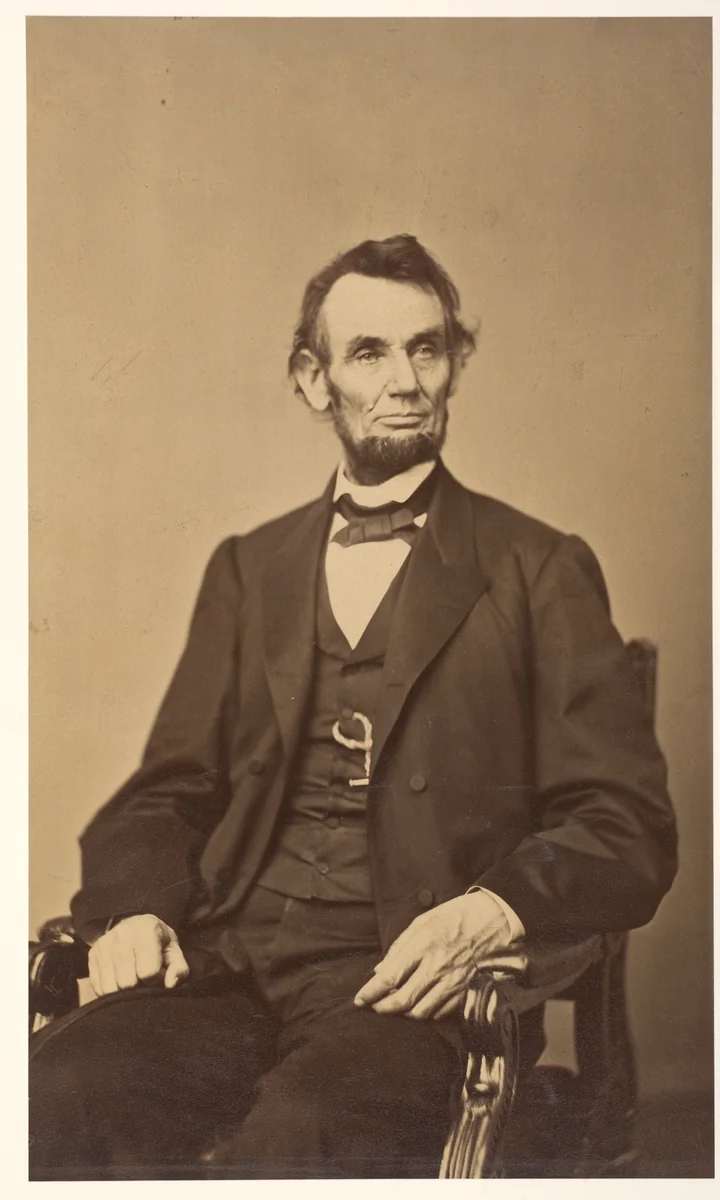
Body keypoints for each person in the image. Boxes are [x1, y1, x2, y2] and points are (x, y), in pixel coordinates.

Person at [29, 234, 677, 1180]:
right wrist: (132, 914)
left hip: (403, 987)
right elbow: (164, 791)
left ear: (455, 365)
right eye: (369, 352)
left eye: (428, 348)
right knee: (60, 1089)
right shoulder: (250, 569)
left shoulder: (540, 568)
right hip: (230, 967)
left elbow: (625, 826)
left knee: (307, 1136)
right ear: (312, 378)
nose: (405, 379)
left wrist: (491, 913)